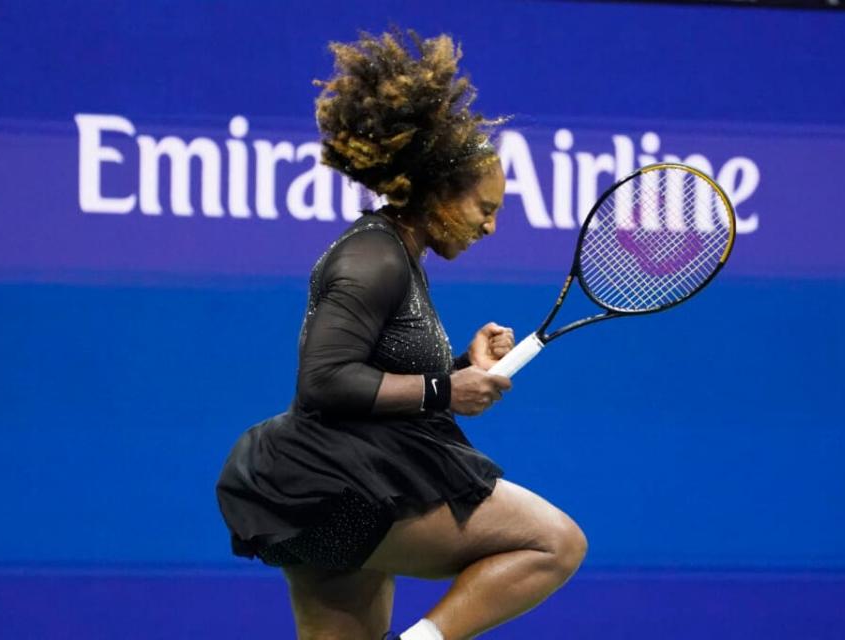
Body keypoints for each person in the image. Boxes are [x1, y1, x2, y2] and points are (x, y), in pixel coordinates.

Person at [216, 30, 587, 640]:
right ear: (438, 193)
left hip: (320, 486)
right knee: (553, 544)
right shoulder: (374, 258)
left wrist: (461, 364)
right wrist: (447, 390)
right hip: (334, 483)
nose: (491, 227)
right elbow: (325, 380)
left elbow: (380, 366)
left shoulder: (398, 253)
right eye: (484, 208)